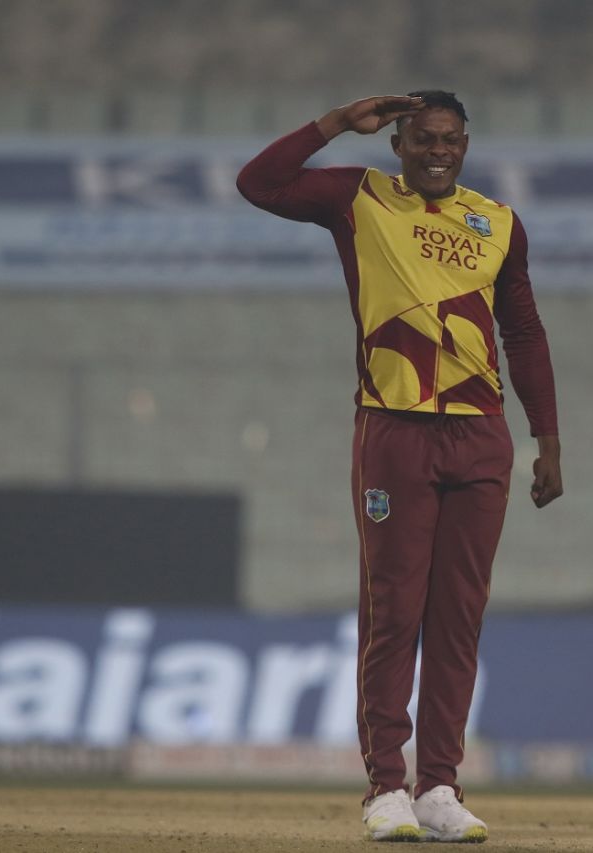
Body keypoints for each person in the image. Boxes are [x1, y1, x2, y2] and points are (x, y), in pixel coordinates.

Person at [238, 90, 563, 843]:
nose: (437, 152)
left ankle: (440, 785)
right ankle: (386, 785)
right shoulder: (359, 198)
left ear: (467, 144)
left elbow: (524, 330)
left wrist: (548, 437)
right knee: (395, 610)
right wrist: (330, 124)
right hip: (394, 429)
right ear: (398, 144)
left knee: (459, 617)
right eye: (422, 140)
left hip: (480, 436)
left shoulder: (499, 224)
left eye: (449, 140)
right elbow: (258, 183)